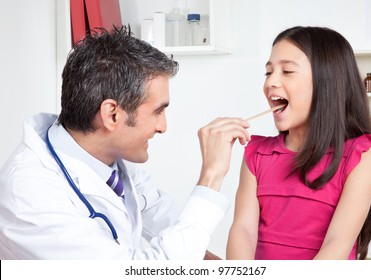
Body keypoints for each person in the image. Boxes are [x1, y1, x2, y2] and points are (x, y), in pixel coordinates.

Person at [0, 25, 250, 259]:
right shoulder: (30, 196)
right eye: (158, 111)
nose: (163, 127)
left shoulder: (108, 161)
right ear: (112, 115)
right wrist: (211, 176)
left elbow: (180, 234)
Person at [226, 26, 371, 260]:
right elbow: (243, 230)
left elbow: (336, 245)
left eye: (287, 71)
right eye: (269, 72)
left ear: (328, 82)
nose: (271, 81)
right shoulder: (257, 153)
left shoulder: (361, 155)